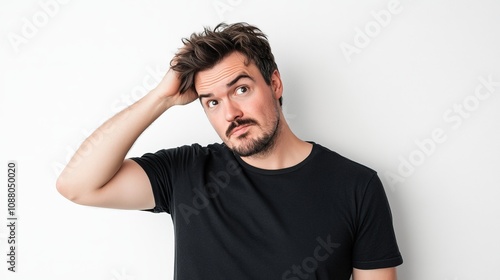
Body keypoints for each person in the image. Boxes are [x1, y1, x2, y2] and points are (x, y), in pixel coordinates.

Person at [56, 22, 403, 280]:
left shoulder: (357, 186)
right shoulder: (185, 172)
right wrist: (160, 98)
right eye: (212, 101)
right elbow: (77, 185)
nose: (230, 114)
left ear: (275, 83)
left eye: (240, 89)